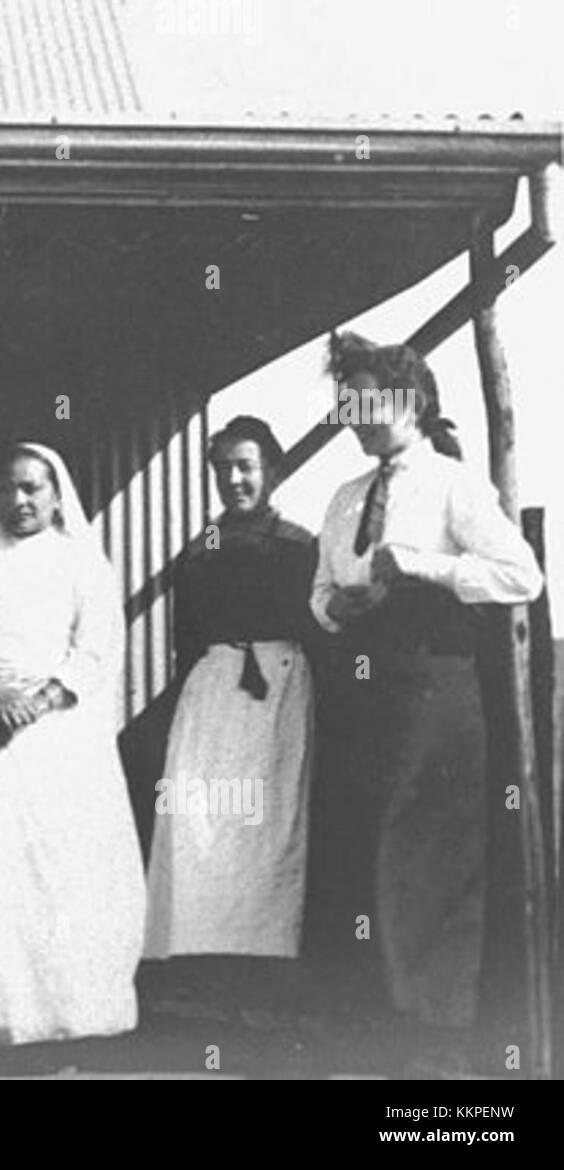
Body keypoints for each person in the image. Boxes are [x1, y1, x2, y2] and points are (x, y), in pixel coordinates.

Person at [310, 332, 542, 1073]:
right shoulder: (345, 499)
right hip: (362, 692)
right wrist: (336, 609)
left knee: (434, 856)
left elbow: (521, 577)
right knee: (365, 848)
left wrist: (422, 565)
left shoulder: (452, 485)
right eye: (350, 405)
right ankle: (380, 1021)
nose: (362, 418)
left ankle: (438, 1041)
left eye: (374, 401)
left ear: (412, 401)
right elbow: (318, 594)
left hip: (436, 689)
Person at [0, 442, 146, 1051]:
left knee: (53, 869)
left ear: (54, 492)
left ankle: (60, 1015)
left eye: (32, 489)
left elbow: (95, 648)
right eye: (8, 488)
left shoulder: (83, 564)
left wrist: (37, 702)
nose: (19, 501)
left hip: (57, 740)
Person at [143, 418, 319, 1015]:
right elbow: (185, 639)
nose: (235, 479)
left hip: (280, 691)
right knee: (201, 821)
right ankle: (202, 972)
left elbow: (319, 628)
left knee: (270, 828)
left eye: (247, 466)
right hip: (214, 690)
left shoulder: (300, 546)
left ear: (272, 470)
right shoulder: (201, 550)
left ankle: (267, 977)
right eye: (224, 468)